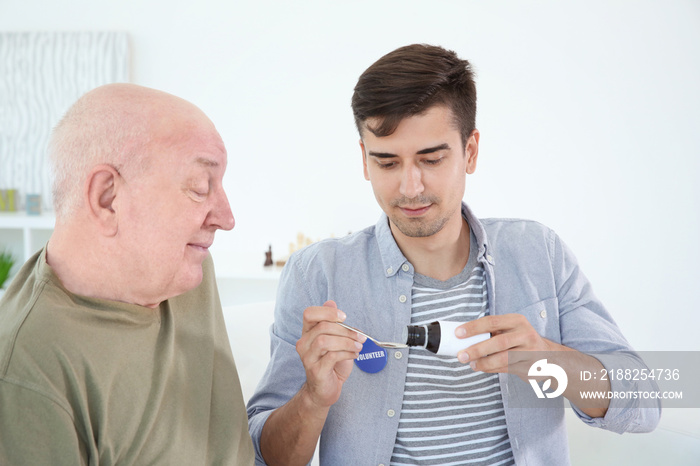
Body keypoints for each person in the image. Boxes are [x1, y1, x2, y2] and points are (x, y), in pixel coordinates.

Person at [247, 44, 661, 465]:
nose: (409, 187)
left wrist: (546, 359)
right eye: (387, 163)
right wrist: (314, 399)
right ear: (364, 161)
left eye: (431, 159)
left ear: (471, 151)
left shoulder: (540, 253)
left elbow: (646, 402)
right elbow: (263, 457)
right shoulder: (316, 276)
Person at [0, 83, 255, 465]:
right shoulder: (27, 370)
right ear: (107, 197)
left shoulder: (188, 270)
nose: (226, 218)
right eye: (201, 188)